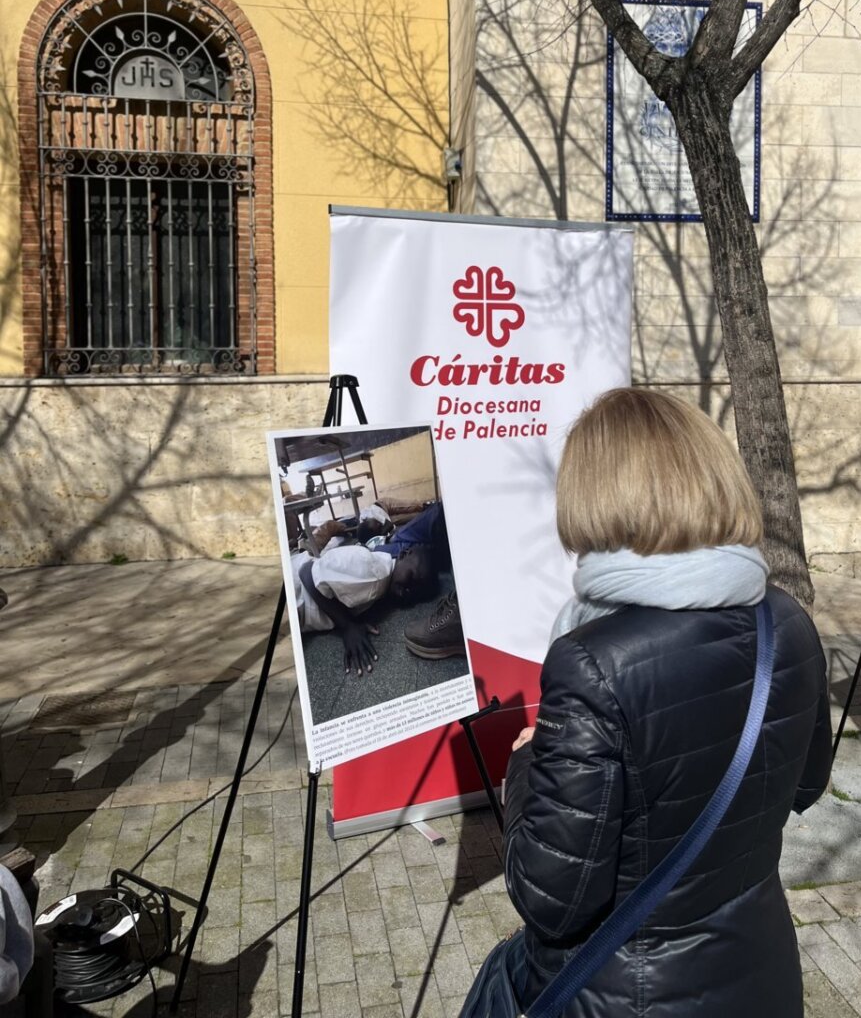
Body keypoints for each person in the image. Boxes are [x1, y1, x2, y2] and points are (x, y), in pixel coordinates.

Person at [502, 388, 832, 1018]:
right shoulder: (787, 621)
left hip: (632, 994)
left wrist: (525, 764)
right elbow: (807, 786)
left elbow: (551, 901)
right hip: (760, 970)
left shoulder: (591, 662)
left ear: (595, 496)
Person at [290, 501, 449, 674]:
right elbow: (306, 572)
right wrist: (347, 626)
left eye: (416, 594)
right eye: (411, 577)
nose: (408, 591)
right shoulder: (372, 571)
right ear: (403, 554)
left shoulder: (382, 580)